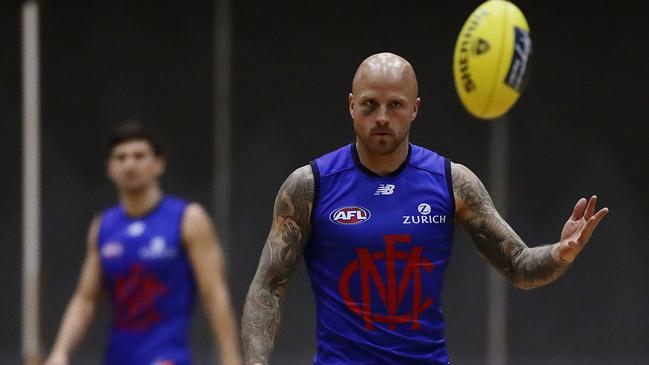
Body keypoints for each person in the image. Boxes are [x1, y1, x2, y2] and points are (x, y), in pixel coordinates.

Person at [241, 52, 609, 365]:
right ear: (352, 104)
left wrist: (560, 254)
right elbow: (268, 286)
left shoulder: (452, 182)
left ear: (414, 109)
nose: (382, 116)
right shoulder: (310, 186)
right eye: (370, 104)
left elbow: (520, 267)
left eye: (395, 105)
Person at [44, 121, 242, 365]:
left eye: (139, 156)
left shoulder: (188, 218)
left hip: (167, 354)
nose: (130, 164)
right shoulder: (103, 225)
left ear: (159, 164)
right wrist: (60, 352)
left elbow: (214, 293)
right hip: (118, 355)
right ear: (109, 168)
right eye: (121, 157)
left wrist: (231, 357)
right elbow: (85, 300)